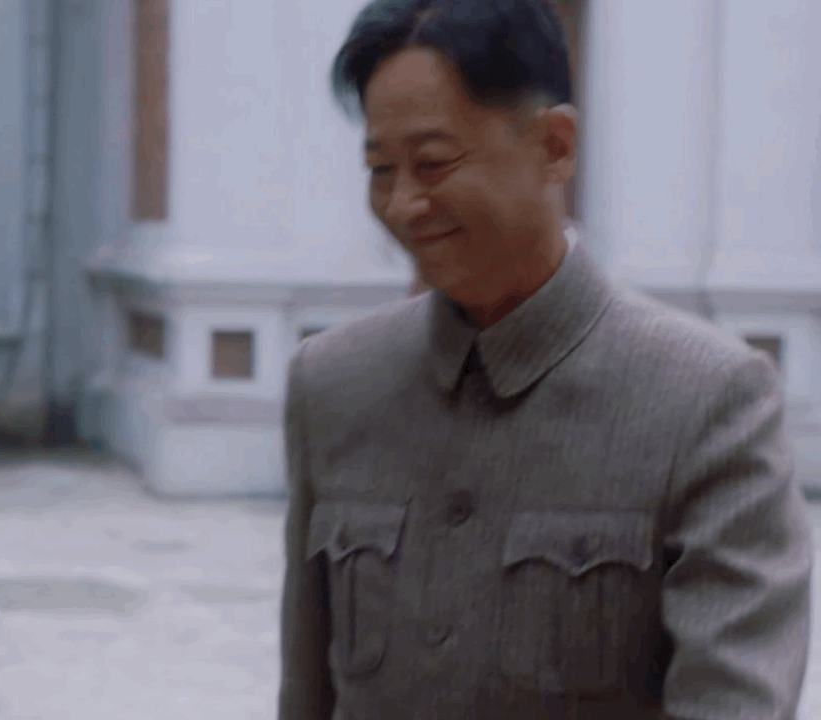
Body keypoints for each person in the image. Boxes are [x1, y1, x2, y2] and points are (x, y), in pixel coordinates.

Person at [277, 1, 812, 718]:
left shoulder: (710, 402)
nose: (402, 205)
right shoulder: (331, 384)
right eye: (380, 169)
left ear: (555, 146)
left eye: (433, 163)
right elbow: (307, 694)